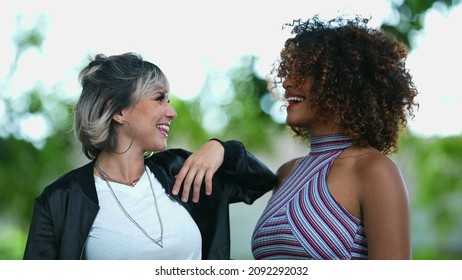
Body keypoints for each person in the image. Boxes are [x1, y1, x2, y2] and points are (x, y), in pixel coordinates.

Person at [23, 52, 276, 260]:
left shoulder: (180, 171)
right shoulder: (59, 201)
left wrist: (223, 149)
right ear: (118, 110)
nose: (172, 112)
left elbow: (261, 182)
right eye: (159, 98)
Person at [251, 15, 418, 260]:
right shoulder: (286, 172)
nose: (287, 82)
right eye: (289, 71)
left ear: (344, 83)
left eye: (304, 72)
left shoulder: (374, 170)